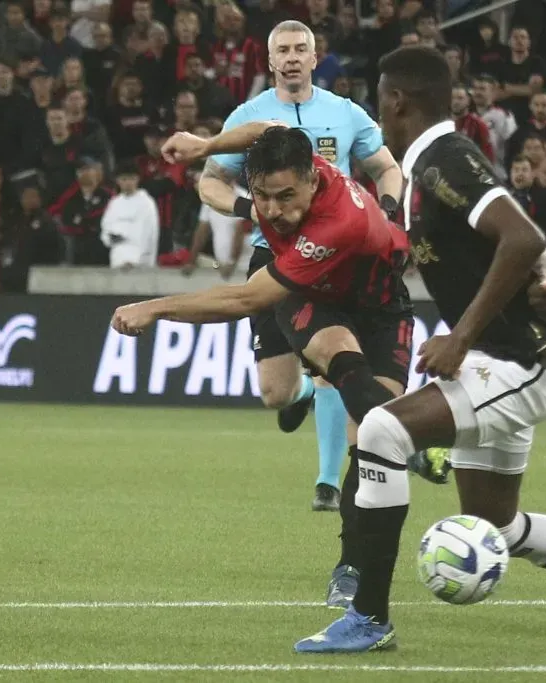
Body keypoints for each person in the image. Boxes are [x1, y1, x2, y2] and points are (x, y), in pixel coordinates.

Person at [293, 45, 546, 655]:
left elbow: (521, 235)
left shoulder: (443, 159)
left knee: (379, 432)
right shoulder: (431, 163)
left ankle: (368, 616)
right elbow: (517, 240)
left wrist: (462, 335)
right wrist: (538, 280)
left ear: (397, 99)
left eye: (379, 91)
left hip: (522, 361)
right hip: (502, 355)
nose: (375, 103)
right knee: (497, 522)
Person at [116, 121, 415, 608]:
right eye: (262, 196)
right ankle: (351, 568)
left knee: (376, 445)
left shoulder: (337, 221)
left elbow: (242, 301)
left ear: (314, 180)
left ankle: (406, 446)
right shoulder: (293, 160)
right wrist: (208, 146)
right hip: (311, 298)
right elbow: (266, 129)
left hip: (382, 309)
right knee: (351, 376)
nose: (273, 212)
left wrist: (153, 307)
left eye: (285, 197)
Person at [196, 19, 407, 524]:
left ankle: (328, 482)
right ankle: (306, 393)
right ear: (270, 62)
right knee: (276, 393)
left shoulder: (345, 113)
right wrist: (251, 211)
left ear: (316, 58)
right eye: (282, 51)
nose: (291, 58)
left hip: (335, 261)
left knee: (337, 364)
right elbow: (209, 182)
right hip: (273, 255)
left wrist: (390, 210)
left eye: (300, 49)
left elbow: (386, 167)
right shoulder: (248, 117)